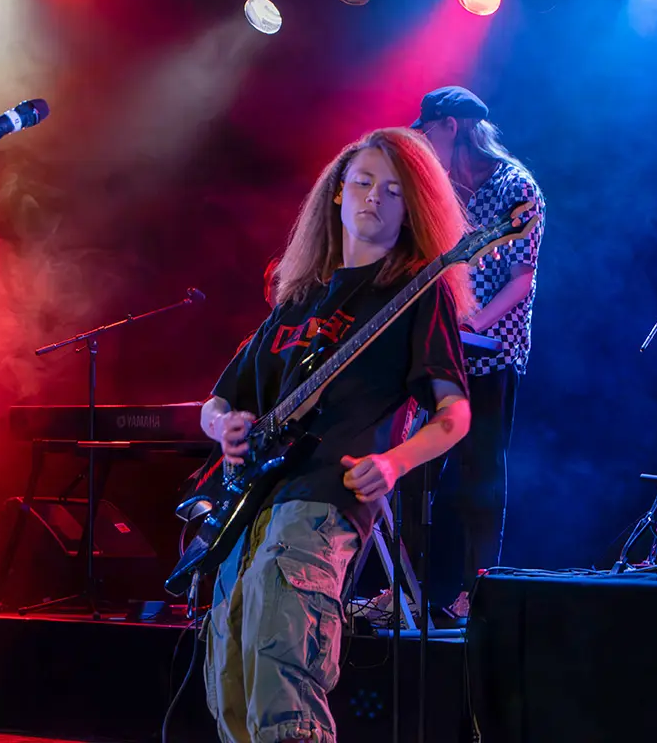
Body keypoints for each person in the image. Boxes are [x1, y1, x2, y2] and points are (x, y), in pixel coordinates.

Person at [198, 127, 474, 743]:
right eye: (364, 182)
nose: (375, 197)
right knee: (231, 690)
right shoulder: (295, 300)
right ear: (337, 194)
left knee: (282, 676)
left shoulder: (413, 294)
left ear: (413, 210)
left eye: (394, 191)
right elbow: (218, 400)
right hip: (248, 509)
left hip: (324, 501)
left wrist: (396, 463)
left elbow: (455, 414)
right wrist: (226, 426)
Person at [412, 85, 544, 621]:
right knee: (417, 476)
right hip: (443, 353)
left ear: (449, 126)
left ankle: (477, 593)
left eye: (428, 131)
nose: (423, 142)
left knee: (480, 475)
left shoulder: (516, 187)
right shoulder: (445, 189)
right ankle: (414, 594)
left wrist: (471, 324)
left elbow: (521, 280)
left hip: (492, 352)